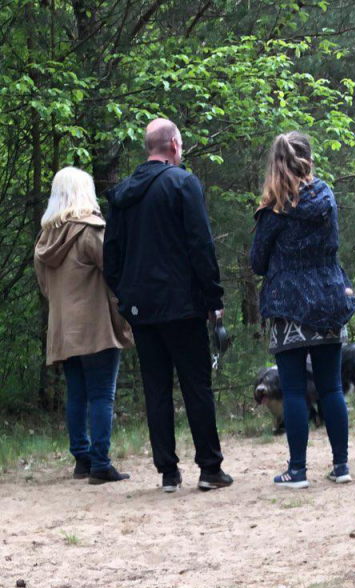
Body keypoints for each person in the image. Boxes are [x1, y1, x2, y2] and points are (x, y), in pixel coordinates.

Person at [103, 118, 232, 491]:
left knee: (156, 388)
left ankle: (168, 473)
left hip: (143, 309)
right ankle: (209, 468)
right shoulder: (182, 183)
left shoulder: (125, 194)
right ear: (174, 145)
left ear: (150, 147)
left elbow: (110, 257)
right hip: (183, 305)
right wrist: (214, 299)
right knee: (196, 385)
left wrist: (126, 298)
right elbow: (200, 245)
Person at [250, 131, 355, 489]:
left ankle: (297, 471)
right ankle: (341, 466)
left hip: (288, 306)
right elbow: (334, 244)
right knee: (331, 389)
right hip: (328, 299)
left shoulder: (273, 211)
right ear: (309, 158)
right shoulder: (327, 198)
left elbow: (258, 263)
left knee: (294, 390)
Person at [34, 167, 132, 484]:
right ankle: (101, 463)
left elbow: (45, 287)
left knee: (76, 393)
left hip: (63, 328)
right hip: (96, 326)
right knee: (102, 395)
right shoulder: (90, 231)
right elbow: (115, 271)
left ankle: (82, 458)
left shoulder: (45, 238)